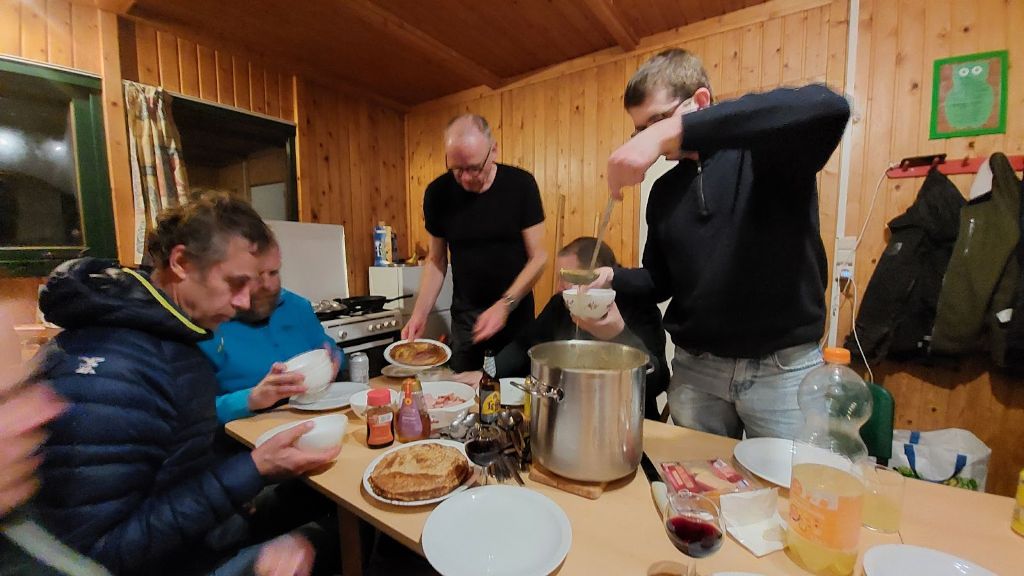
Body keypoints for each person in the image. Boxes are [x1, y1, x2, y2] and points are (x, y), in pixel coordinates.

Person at [32, 192, 338, 576]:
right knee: (335, 540)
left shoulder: (169, 339)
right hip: (167, 563)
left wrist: (245, 480)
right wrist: (251, 471)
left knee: (324, 503)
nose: (245, 302)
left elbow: (172, 469)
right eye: (235, 283)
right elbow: (96, 552)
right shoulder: (114, 371)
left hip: (194, 532)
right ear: (180, 262)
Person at [593, 49, 851, 440]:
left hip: (782, 370)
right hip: (697, 371)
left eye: (656, 122)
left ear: (700, 101)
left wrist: (667, 132)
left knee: (791, 492)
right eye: (640, 130)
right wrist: (612, 277)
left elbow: (828, 106)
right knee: (700, 492)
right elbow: (660, 281)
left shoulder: (768, 153)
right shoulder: (663, 192)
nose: (649, 138)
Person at [453, 237, 669, 419]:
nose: (558, 288)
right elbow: (524, 345)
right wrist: (487, 374)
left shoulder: (639, 305)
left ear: (597, 279)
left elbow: (657, 381)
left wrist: (618, 334)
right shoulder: (562, 304)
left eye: (566, 280)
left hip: (625, 422)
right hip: (570, 416)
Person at [402, 114, 547, 372]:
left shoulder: (520, 185)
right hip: (467, 321)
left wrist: (505, 305)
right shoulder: (437, 194)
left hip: (515, 315)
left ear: (493, 151)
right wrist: (419, 313)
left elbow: (539, 258)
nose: (466, 178)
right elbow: (436, 260)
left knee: (514, 397)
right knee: (464, 394)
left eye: (474, 168)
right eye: (457, 170)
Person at [198, 240, 344, 424]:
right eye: (256, 275)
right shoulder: (210, 322)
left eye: (273, 272)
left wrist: (335, 359)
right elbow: (191, 415)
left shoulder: (297, 307)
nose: (267, 284)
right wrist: (250, 399)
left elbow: (329, 348)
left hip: (315, 422)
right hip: (243, 441)